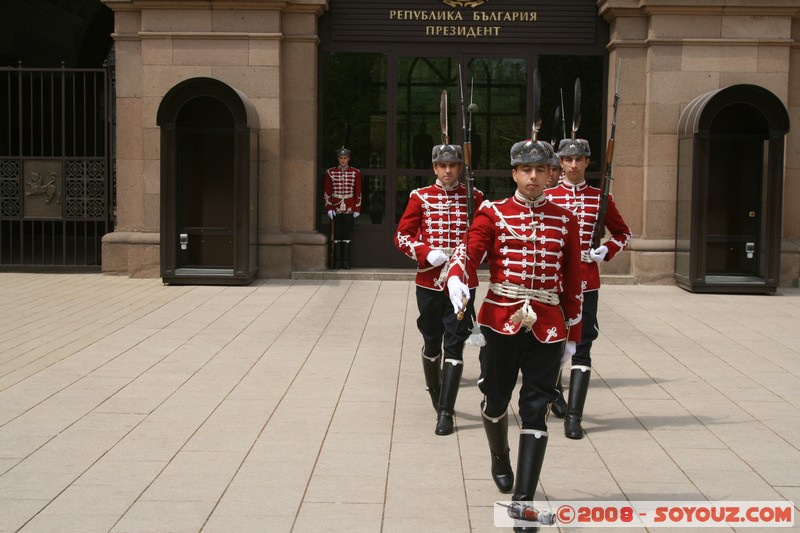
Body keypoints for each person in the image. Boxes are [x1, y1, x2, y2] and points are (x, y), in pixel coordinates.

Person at [446, 139, 582, 531]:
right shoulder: (492, 212)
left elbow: (572, 278)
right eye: (527, 170)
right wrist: (458, 275)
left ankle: (524, 502)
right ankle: (499, 455)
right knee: (495, 398)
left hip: (548, 323)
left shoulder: (565, 218)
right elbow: (470, 250)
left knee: (536, 407)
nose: (534, 177)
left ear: (550, 173)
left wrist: (572, 329)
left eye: (541, 170)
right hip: (500, 319)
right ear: (515, 173)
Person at [394, 143, 484, 436]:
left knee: (455, 343)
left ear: (460, 168)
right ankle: (435, 389)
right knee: (432, 340)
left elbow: (483, 239)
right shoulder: (420, 197)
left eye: (453, 165)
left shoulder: (476, 197)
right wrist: (424, 251)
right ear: (434, 168)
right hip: (430, 282)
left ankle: (446, 411)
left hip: (462, 283)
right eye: (442, 165)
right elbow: (402, 236)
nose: (448, 170)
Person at [546, 138, 631, 439]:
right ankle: (554, 392)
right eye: (567, 160)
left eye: (579, 159)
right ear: (560, 163)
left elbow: (623, 233)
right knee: (551, 341)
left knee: (583, 346)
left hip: (586, 282)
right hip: (553, 282)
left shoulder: (599, 198)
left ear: (587, 162)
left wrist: (605, 251)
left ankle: (574, 416)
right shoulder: (548, 196)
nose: (572, 165)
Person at [323, 147, 362, 269]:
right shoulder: (331, 172)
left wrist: (357, 209)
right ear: (338, 159)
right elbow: (327, 191)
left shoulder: (355, 172)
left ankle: (346, 262)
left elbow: (358, 192)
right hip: (336, 208)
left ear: (348, 159)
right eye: (341, 158)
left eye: (345, 158)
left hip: (350, 207)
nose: (343, 160)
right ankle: (337, 262)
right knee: (337, 234)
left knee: (347, 234)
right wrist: (329, 208)